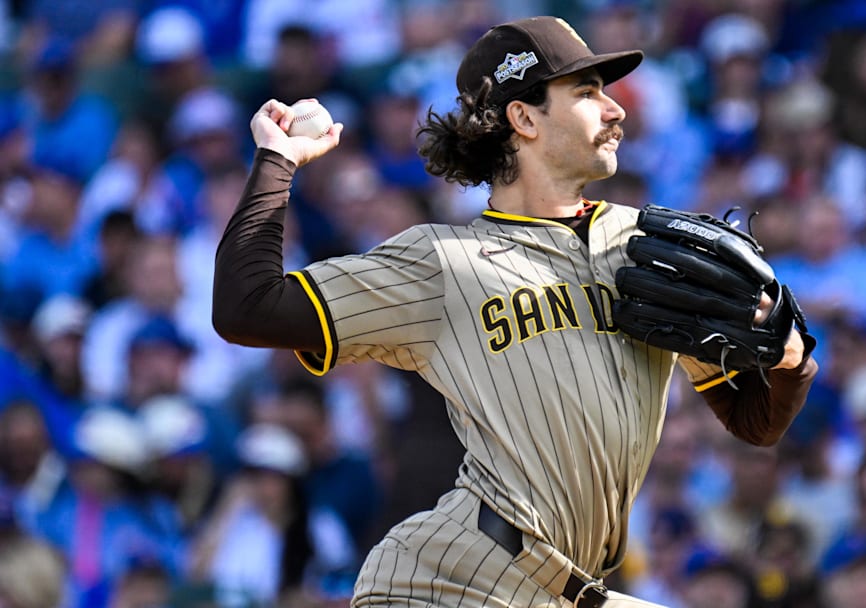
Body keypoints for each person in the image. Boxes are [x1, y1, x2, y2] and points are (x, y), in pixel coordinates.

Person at [212, 15, 817, 607]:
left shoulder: (646, 251)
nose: (615, 109)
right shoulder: (443, 262)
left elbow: (754, 424)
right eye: (586, 92)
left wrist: (791, 362)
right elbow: (246, 308)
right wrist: (278, 161)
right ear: (524, 117)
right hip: (447, 582)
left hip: (573, 589)